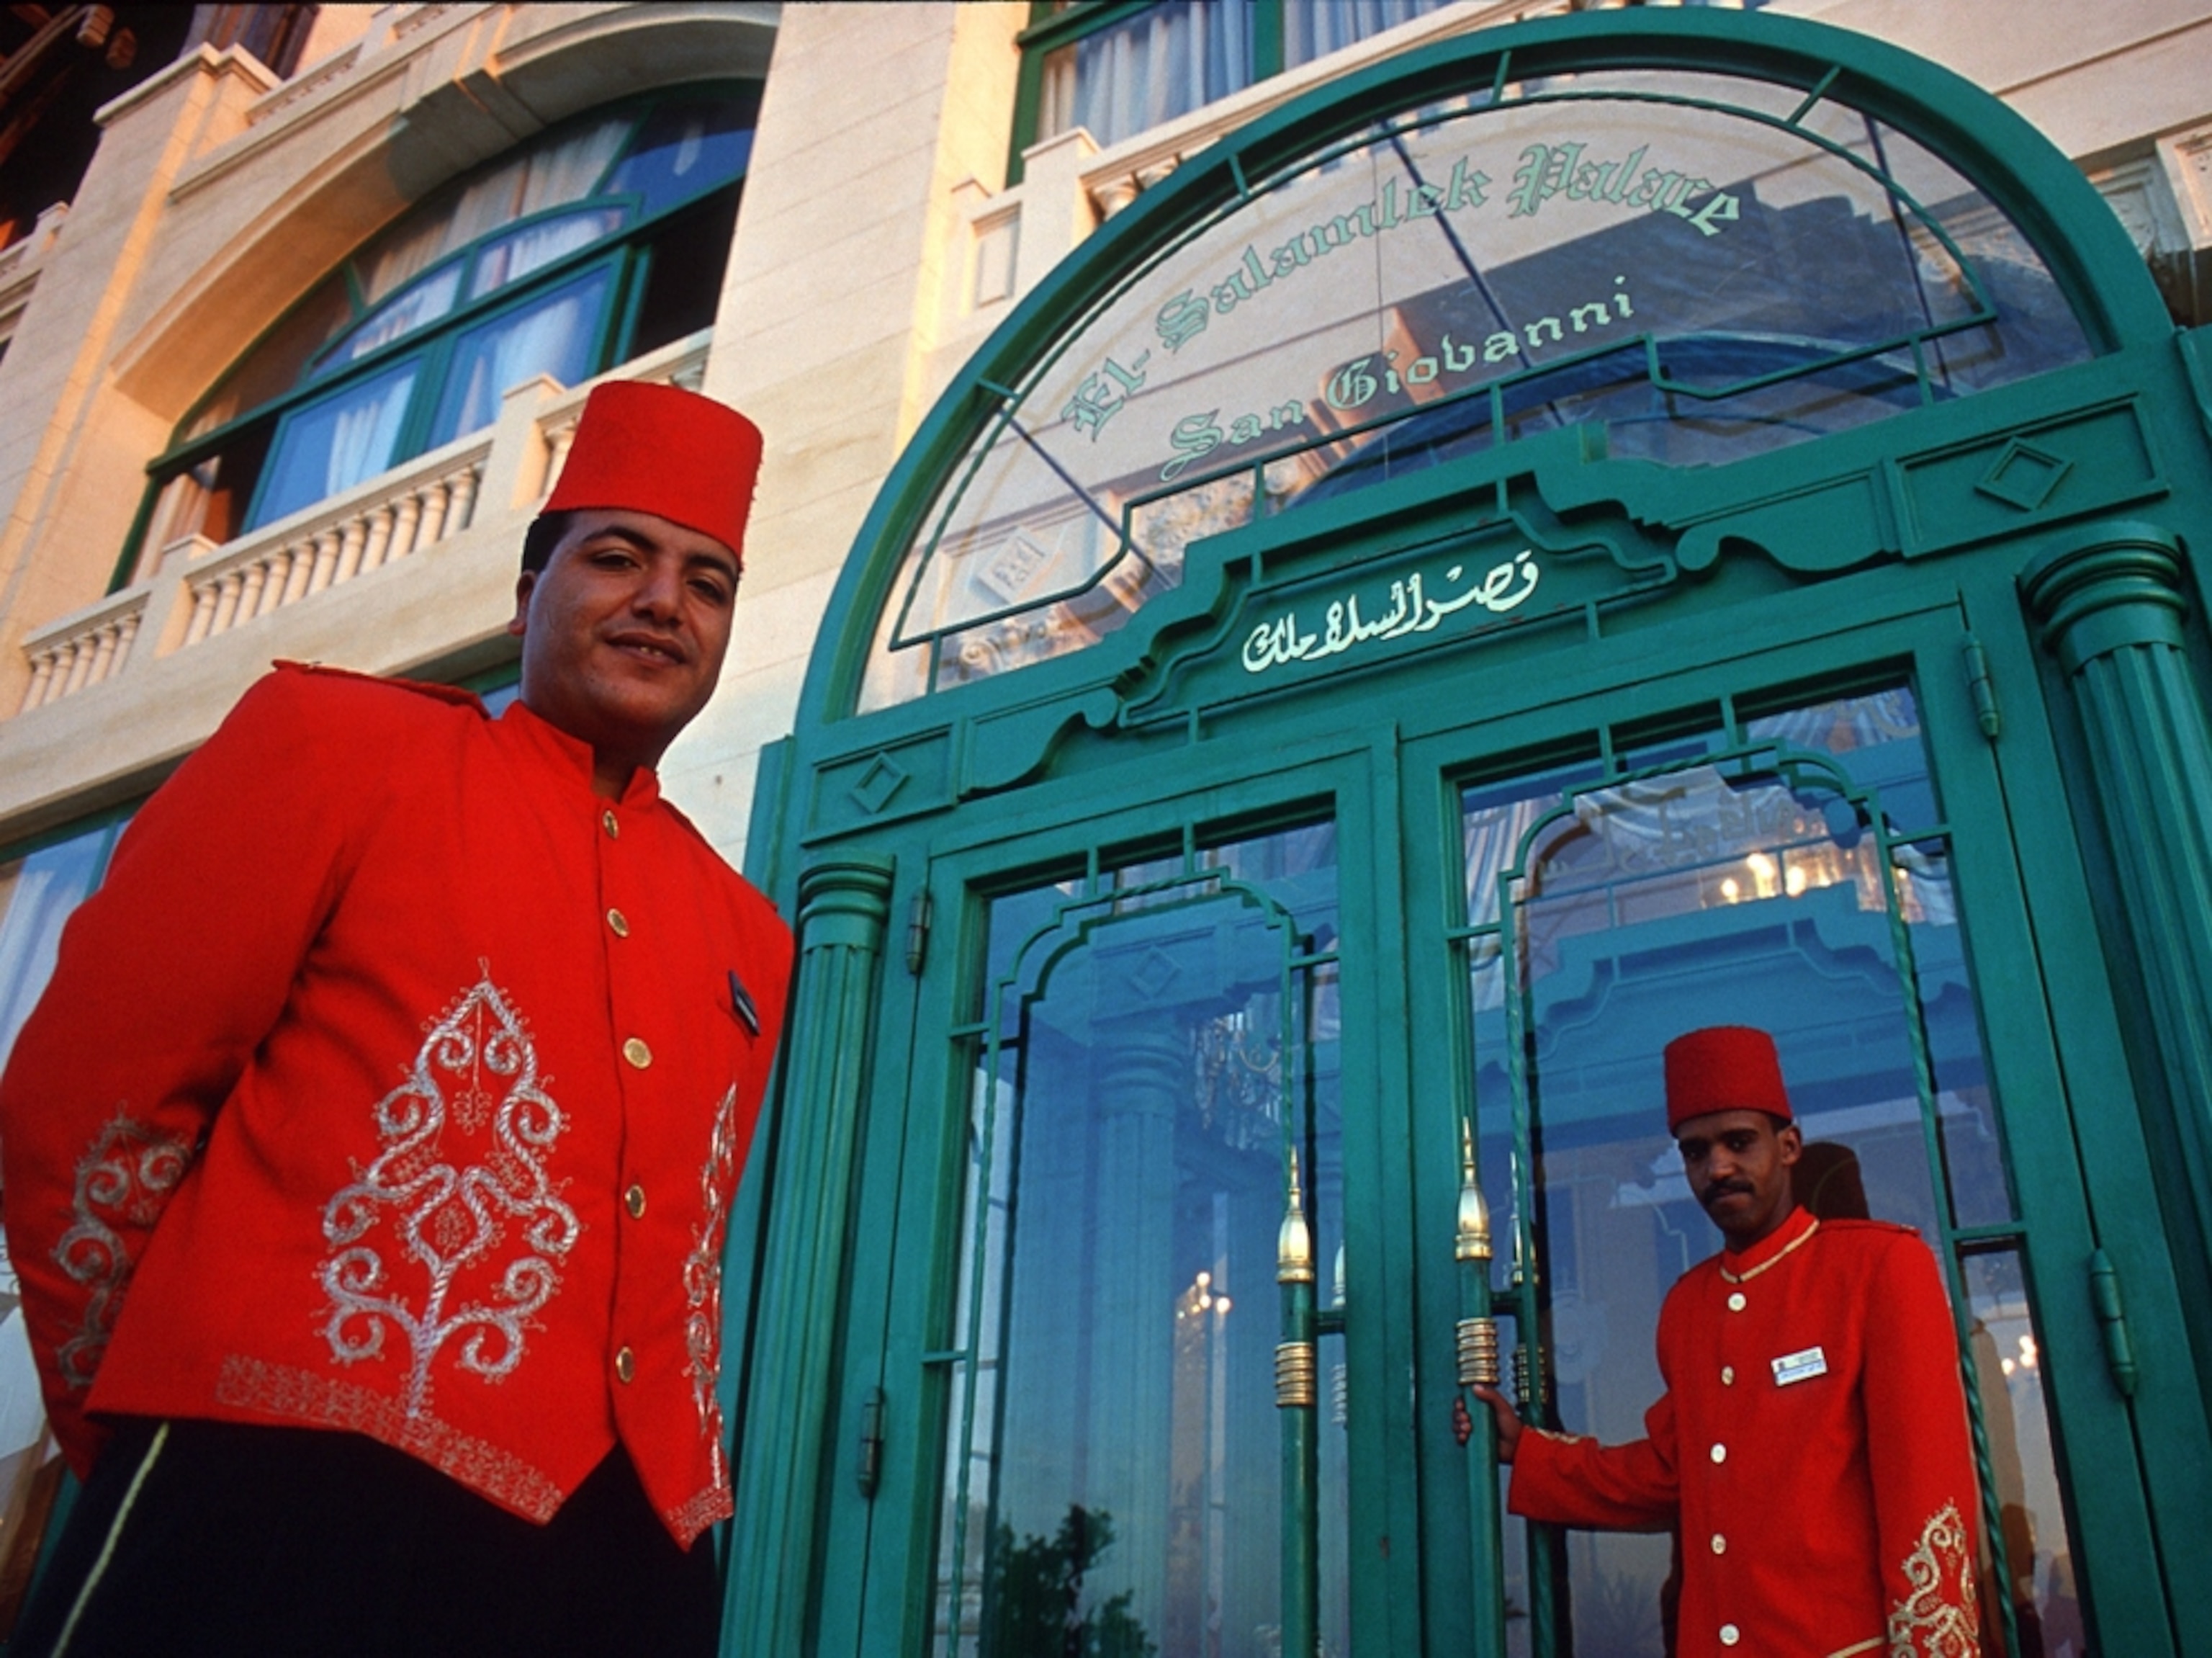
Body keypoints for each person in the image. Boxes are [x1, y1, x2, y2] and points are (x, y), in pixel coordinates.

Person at [0, 380, 792, 1657]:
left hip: (628, 1552)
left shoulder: (748, 930)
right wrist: (167, 1408)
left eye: (707, 581)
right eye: (617, 557)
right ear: (524, 594)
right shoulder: (338, 745)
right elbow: (84, 1099)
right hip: (277, 1486)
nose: (663, 601)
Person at [1470, 1025, 1985, 1658]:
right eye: (1695, 1151)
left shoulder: (1880, 1268)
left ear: (1789, 1145)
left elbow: (1926, 1493)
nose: (1718, 1167)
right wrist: (1530, 1453)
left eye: (1739, 1142)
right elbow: (1673, 1473)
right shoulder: (1689, 1306)